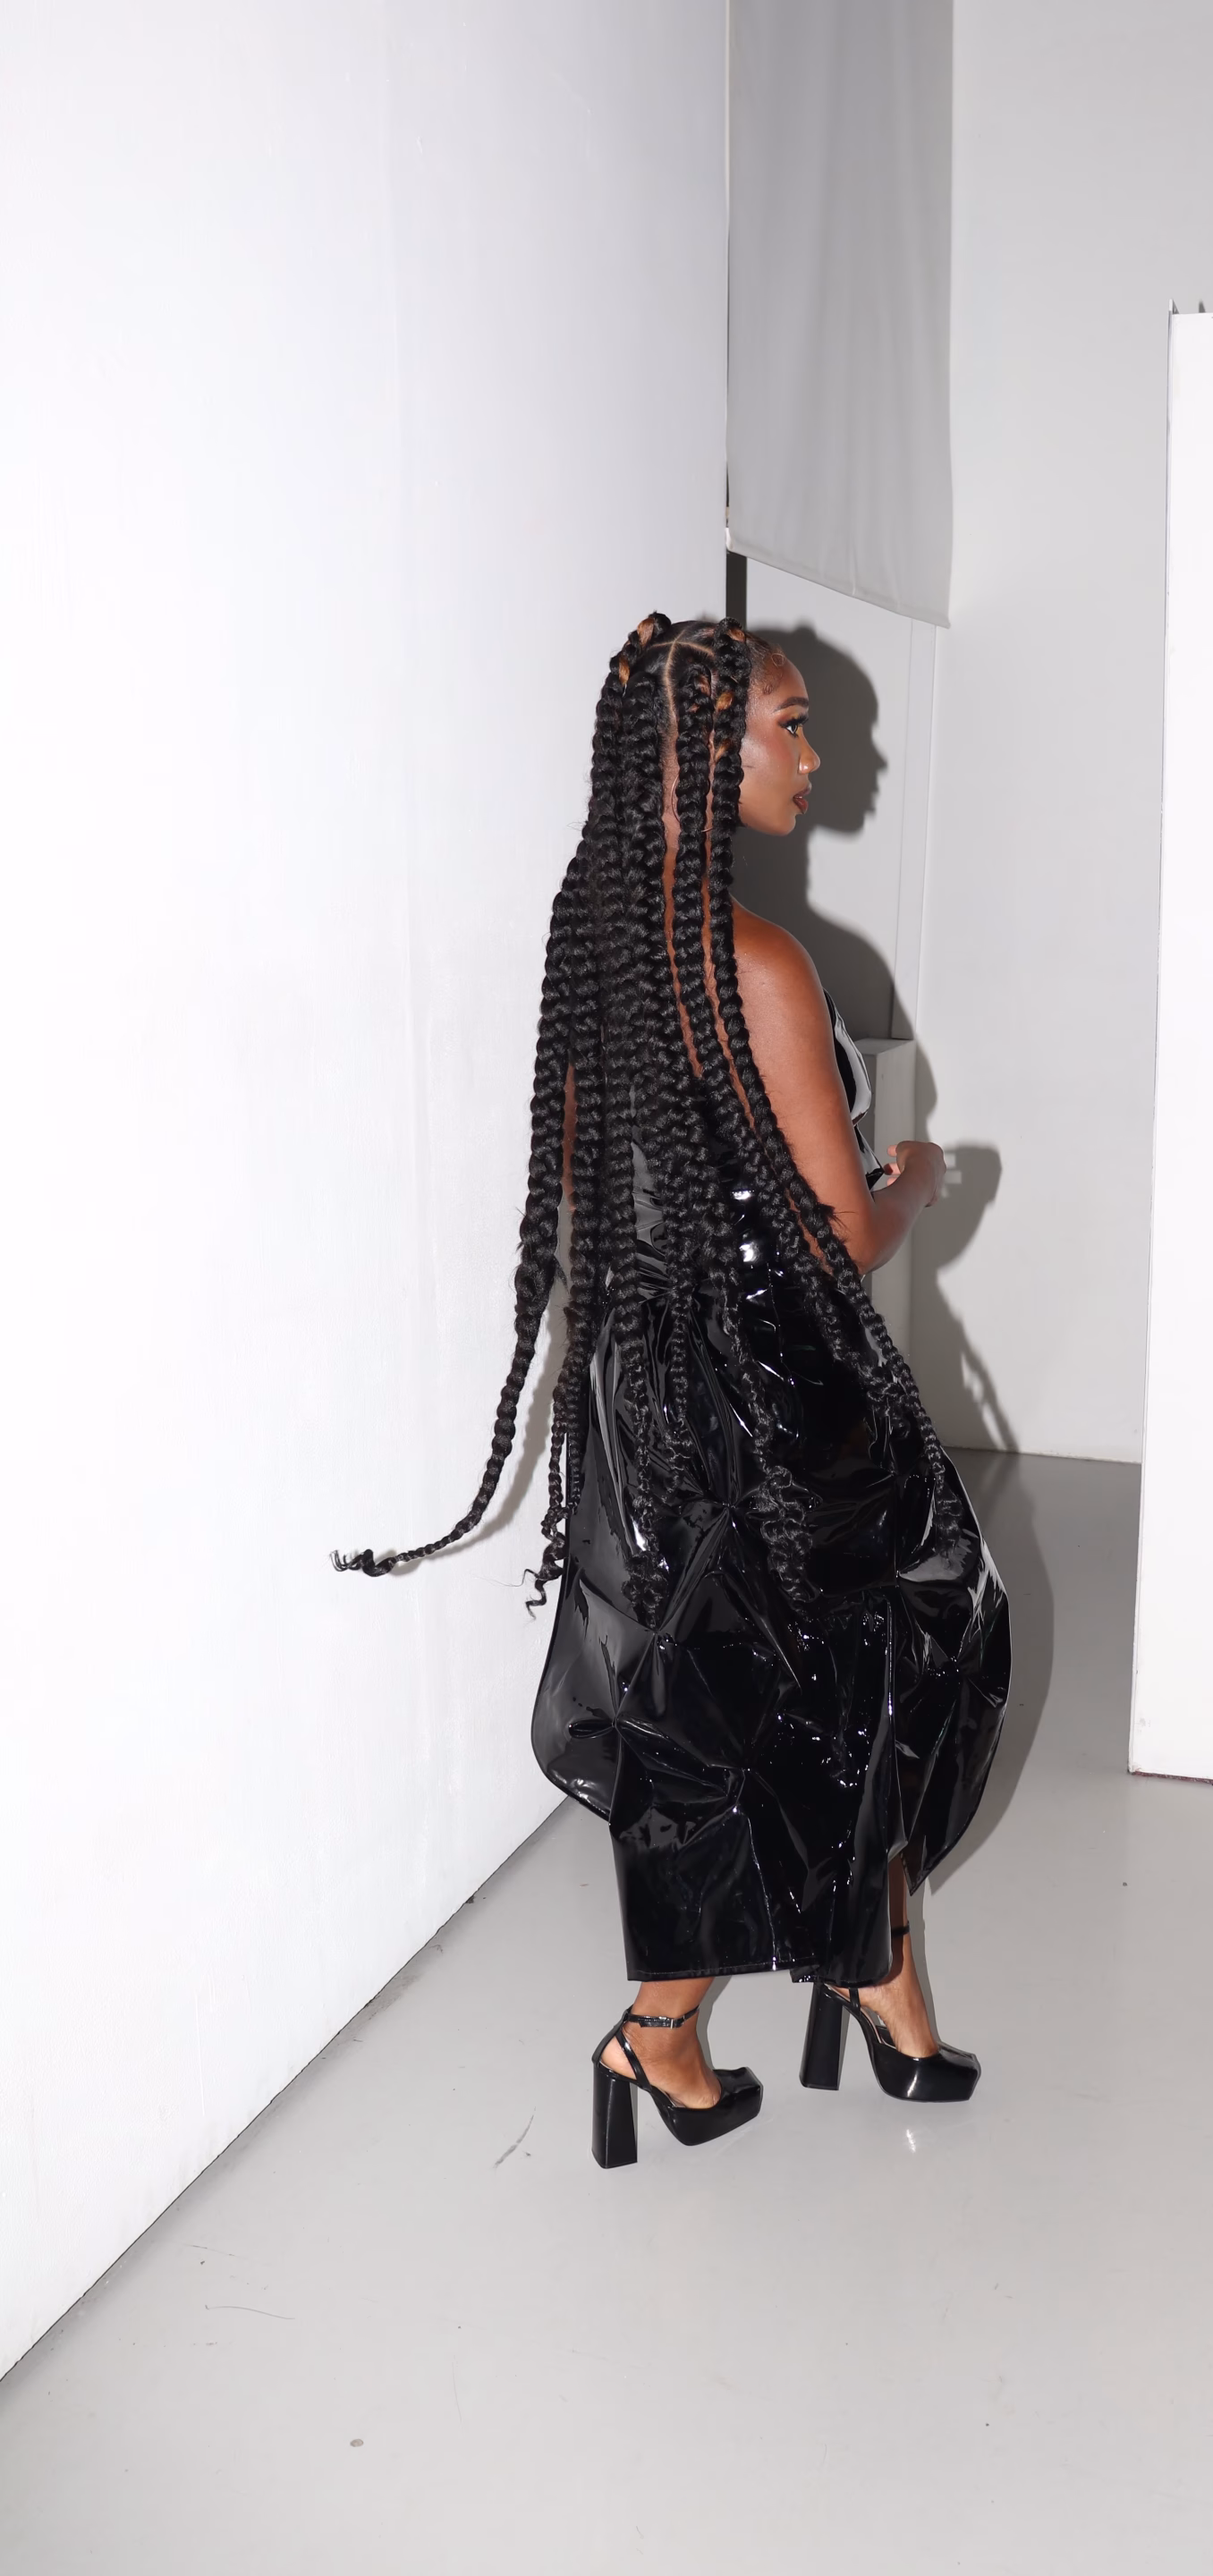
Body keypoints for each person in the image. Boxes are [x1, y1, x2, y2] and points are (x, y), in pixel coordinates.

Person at [337, 616, 1010, 2166]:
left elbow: (615, 1190)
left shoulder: (602, 943)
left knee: (753, 1695)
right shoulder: (759, 963)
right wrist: (917, 1180)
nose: (819, 753)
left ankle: (842, 1994)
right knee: (876, 1672)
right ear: (708, 750)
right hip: (788, 1390)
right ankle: (709, 2019)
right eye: (792, 722)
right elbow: (841, 1238)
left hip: (662, 1386)